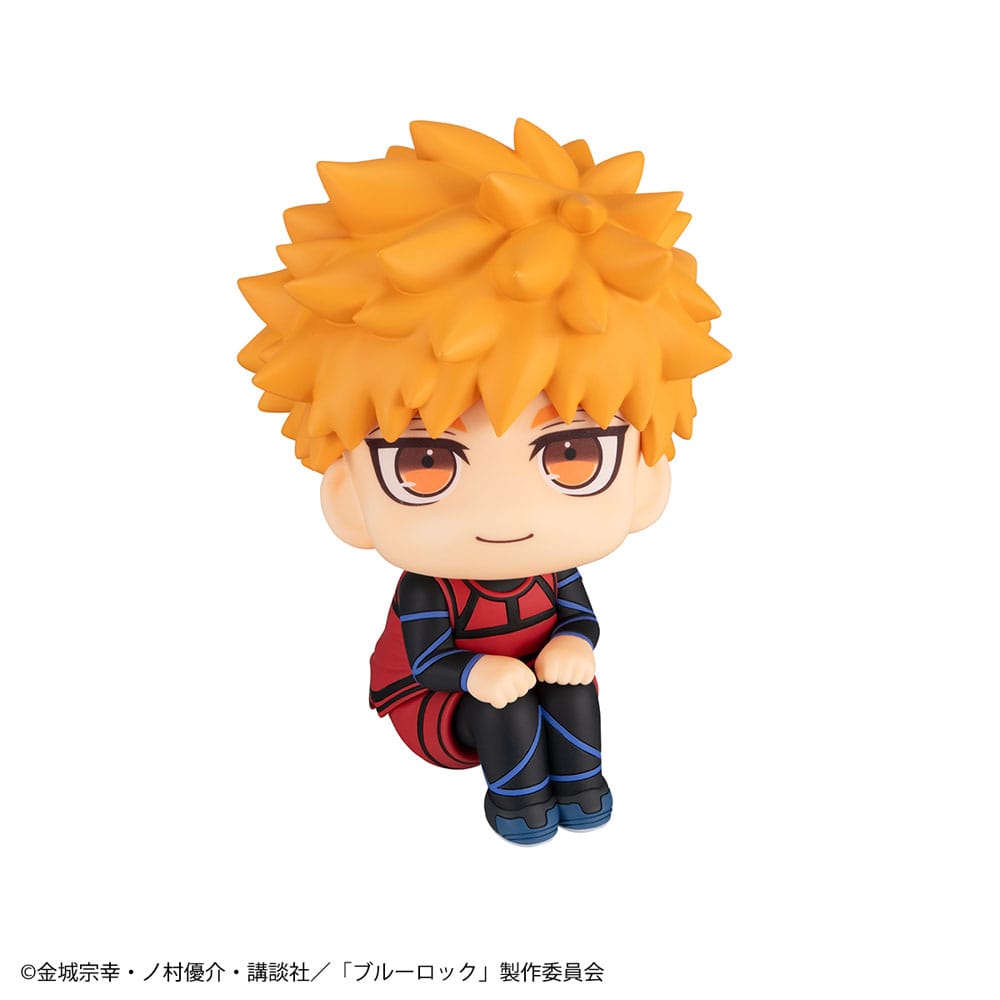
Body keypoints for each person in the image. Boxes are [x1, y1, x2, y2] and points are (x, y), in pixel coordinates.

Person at [238, 118, 729, 843]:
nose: (505, 515)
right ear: (348, 498)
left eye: (571, 454)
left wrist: (574, 644)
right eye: (426, 463)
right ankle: (519, 803)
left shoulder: (553, 572)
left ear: (646, 478)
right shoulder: (429, 591)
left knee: (573, 684)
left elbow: (577, 618)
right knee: (509, 706)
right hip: (440, 703)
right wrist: (476, 675)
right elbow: (427, 659)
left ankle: (583, 789)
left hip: (535, 678)